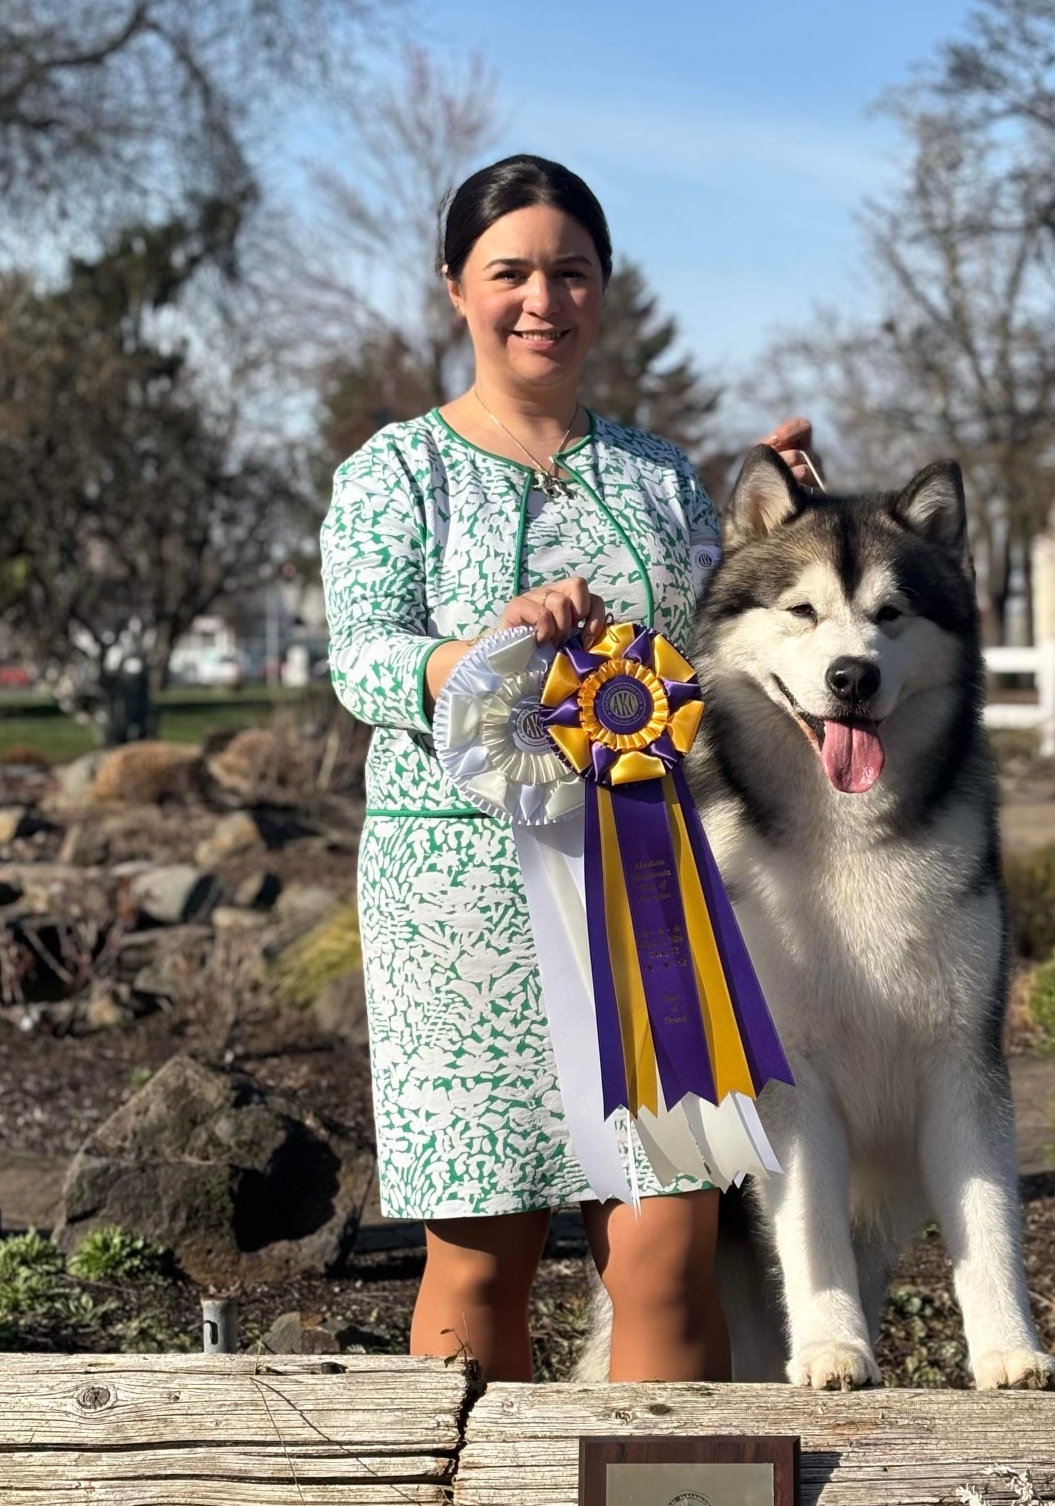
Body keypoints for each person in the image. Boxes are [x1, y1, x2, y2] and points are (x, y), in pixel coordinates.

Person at [319, 153, 815, 1384]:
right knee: (480, 1257)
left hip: (651, 896)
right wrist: (486, 655)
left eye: (571, 272)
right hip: (458, 906)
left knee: (668, 1250)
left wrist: (789, 526)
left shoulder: (660, 475)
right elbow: (361, 660)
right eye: (511, 273)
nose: (543, 299)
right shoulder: (394, 473)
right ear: (455, 287)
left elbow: (717, 645)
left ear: (604, 287)